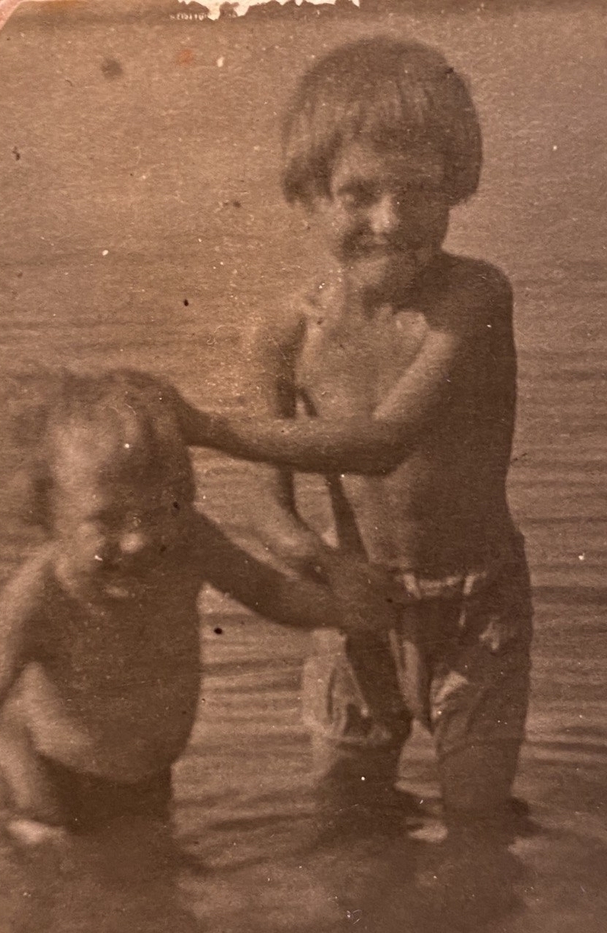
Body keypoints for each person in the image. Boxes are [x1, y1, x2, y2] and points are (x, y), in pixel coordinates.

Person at [179, 36, 533, 902]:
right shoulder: (283, 335)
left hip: (473, 602)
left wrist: (209, 428)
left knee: (477, 827)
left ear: (456, 186)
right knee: (348, 825)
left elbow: (386, 440)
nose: (392, 218)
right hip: (353, 606)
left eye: (420, 191)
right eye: (358, 193)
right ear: (308, 194)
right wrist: (327, 565)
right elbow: (269, 511)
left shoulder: (473, 298)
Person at [0, 368, 393, 880]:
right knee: (81, 902)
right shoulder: (38, 598)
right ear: (48, 512)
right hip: (53, 794)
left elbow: (267, 590)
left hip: (148, 783)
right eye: (106, 519)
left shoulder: (190, 544)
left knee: (156, 896)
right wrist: (23, 772)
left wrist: (342, 610)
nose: (138, 541)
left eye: (159, 511)